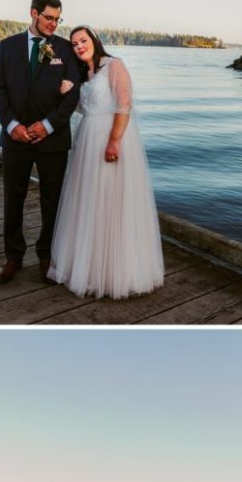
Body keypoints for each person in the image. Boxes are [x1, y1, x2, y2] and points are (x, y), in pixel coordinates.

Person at [47, 26, 165, 298]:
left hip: (112, 139)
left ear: (95, 41)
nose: (79, 46)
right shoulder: (80, 74)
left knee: (113, 200)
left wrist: (114, 140)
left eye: (83, 40)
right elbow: (83, 107)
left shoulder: (114, 66)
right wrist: (66, 90)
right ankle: (88, 267)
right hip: (87, 141)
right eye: (74, 43)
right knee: (89, 200)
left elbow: (124, 105)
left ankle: (116, 271)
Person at [0, 0, 82, 283]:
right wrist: (11, 125)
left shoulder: (66, 50)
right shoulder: (7, 47)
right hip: (15, 138)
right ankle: (13, 257)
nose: (54, 24)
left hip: (52, 139)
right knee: (12, 199)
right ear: (33, 13)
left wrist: (48, 125)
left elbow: (73, 95)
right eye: (48, 18)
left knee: (52, 200)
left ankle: (47, 256)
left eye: (58, 19)